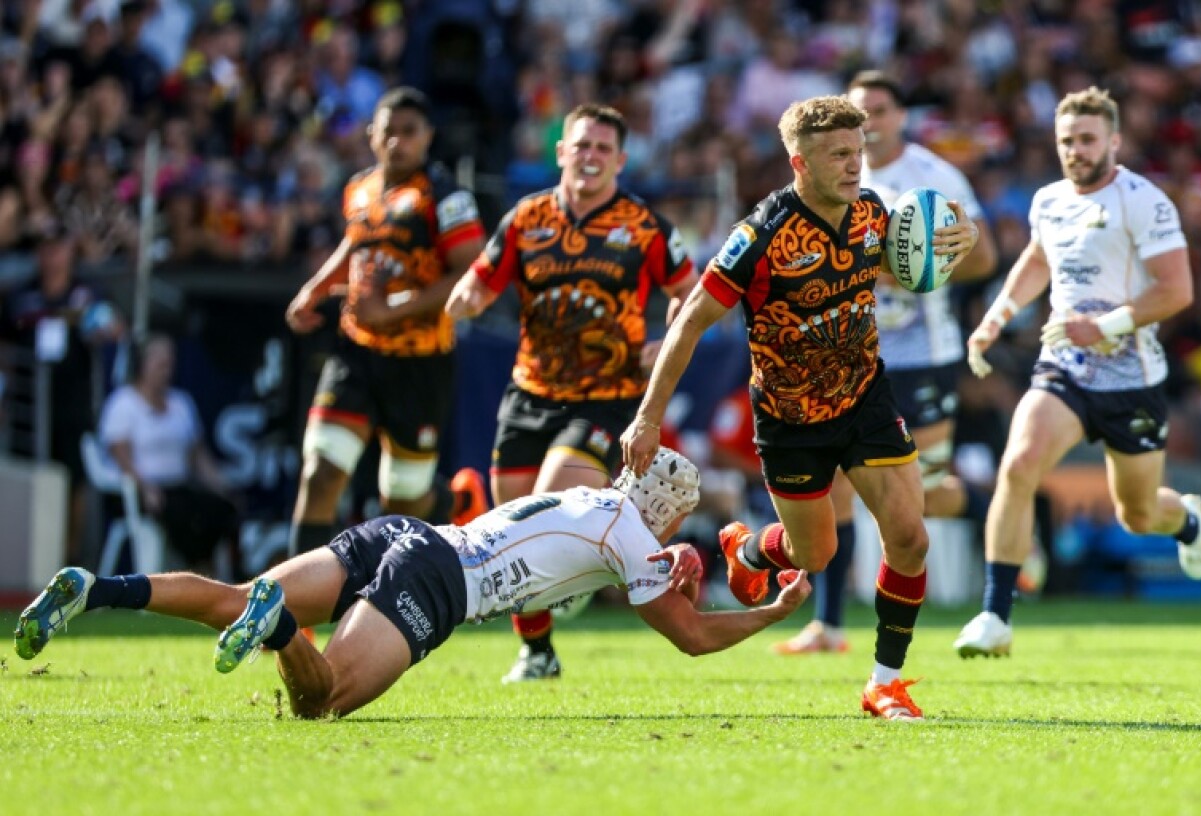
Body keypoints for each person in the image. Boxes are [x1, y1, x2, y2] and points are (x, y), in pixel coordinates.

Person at [621, 95, 979, 720]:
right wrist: (649, 417)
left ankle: (884, 683)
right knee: (815, 555)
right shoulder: (758, 237)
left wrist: (959, 239)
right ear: (799, 162)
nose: (853, 166)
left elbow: (916, 258)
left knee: (909, 537)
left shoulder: (873, 214)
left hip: (866, 396)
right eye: (838, 155)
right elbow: (688, 325)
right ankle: (753, 551)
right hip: (790, 420)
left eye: (858, 152)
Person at [14, 448, 812, 719]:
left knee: (230, 593)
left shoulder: (583, 487)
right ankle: (282, 626)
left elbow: (572, 509)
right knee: (320, 700)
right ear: (666, 511)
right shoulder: (633, 535)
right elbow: (694, 636)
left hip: (405, 533)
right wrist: (773, 610)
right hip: (436, 579)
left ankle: (97, 588)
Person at [952, 87, 1201, 658]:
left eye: (1087, 139)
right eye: (1067, 140)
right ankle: (995, 616)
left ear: (1114, 142)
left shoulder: (1144, 201)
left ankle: (1188, 522)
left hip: (1132, 379)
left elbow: (1177, 291)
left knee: (1139, 513)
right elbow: (1038, 259)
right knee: (1019, 464)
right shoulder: (1048, 199)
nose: (1076, 150)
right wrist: (994, 320)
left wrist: (1107, 325)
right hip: (1065, 368)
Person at [445, 103, 698, 682]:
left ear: (621, 160)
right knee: (506, 526)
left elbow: (690, 292)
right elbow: (481, 282)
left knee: (545, 503)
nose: (591, 157)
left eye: (603, 149)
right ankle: (539, 651)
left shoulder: (643, 225)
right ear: (561, 152)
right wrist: (465, 298)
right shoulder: (525, 218)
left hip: (608, 398)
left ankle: (575, 585)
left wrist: (664, 342)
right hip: (529, 391)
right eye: (581, 145)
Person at [774, 70, 999, 656]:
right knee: (842, 488)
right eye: (859, 111)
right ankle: (829, 625)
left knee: (917, 497)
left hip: (924, 352)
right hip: (854, 350)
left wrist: (936, 255)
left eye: (878, 110)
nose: (868, 121)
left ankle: (994, 508)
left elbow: (985, 258)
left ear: (900, 116)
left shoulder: (934, 176)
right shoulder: (837, 170)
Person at [283, 87, 489, 562]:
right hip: (356, 351)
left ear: (428, 137)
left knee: (400, 500)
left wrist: (394, 310)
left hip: (420, 362)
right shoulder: (359, 188)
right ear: (372, 134)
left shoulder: (446, 196)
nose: (397, 141)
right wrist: (314, 289)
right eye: (388, 131)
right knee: (320, 474)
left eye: (409, 132)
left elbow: (469, 272)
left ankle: (456, 502)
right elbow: (355, 246)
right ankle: (293, 619)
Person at [0, 221, 124, 565]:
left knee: (74, 486)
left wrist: (102, 326)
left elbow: (115, 329)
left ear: (71, 250)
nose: (52, 256)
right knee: (27, 482)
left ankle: (66, 563)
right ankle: (24, 558)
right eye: (45, 248)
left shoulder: (88, 293)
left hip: (74, 405)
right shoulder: (19, 295)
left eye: (59, 247)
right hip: (28, 408)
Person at [98, 333, 239, 573]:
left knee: (222, 509)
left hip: (179, 487)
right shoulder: (123, 403)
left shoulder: (181, 403)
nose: (166, 370)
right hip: (141, 493)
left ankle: (214, 578)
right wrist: (145, 488)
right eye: (160, 363)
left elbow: (198, 455)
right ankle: (192, 574)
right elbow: (120, 456)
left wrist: (220, 485)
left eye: (169, 363)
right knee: (179, 515)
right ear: (142, 364)